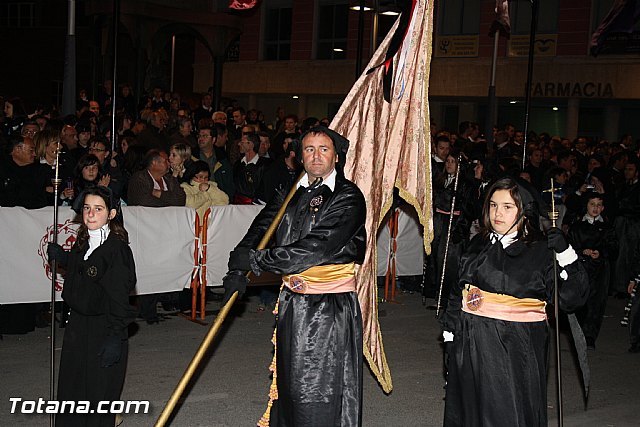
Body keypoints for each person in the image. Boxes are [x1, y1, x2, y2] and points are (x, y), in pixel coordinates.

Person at [222, 126, 366, 426]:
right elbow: (262, 228)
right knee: (291, 386)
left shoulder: (348, 196)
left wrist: (260, 261)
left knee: (320, 390)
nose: (316, 156)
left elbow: (317, 247)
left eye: (323, 149)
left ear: (336, 157)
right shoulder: (292, 190)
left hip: (329, 307)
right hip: (292, 302)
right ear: (300, 156)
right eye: (309, 149)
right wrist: (239, 266)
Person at [441, 177, 588, 427]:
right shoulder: (476, 245)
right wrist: (450, 337)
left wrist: (565, 254)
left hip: (513, 348)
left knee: (506, 413)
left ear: (524, 211)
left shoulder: (540, 252)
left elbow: (569, 299)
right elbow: (457, 293)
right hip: (470, 343)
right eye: (493, 205)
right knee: (469, 412)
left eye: (508, 207)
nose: (498, 213)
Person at [47, 186, 137, 427]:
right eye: (87, 208)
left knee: (98, 393)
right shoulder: (83, 241)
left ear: (111, 214)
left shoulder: (117, 250)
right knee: (72, 388)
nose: (90, 214)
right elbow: (86, 274)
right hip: (78, 324)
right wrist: (65, 258)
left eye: (98, 209)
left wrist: (115, 336)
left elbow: (119, 297)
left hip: (104, 326)